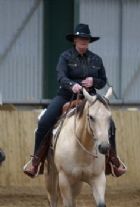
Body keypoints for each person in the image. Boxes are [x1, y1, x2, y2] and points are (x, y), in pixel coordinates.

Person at [23, 23, 126, 178]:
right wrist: (73, 85)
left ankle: (113, 160)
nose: (83, 41)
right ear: (75, 40)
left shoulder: (96, 60)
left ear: (89, 41)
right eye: (81, 38)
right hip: (66, 95)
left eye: (86, 39)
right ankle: (36, 161)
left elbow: (103, 80)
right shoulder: (65, 57)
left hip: (90, 98)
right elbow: (61, 76)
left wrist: (94, 82)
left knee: (110, 125)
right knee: (44, 122)